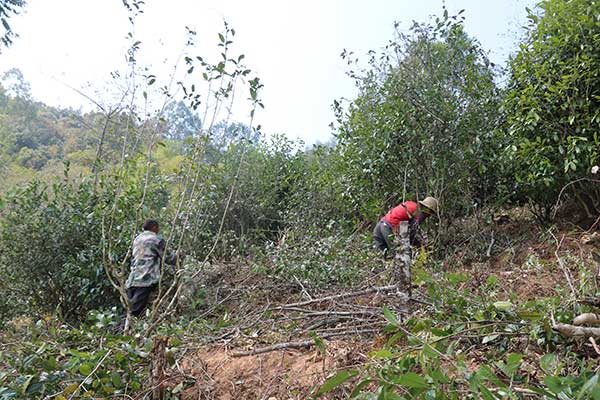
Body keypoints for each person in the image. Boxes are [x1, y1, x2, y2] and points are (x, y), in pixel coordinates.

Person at [125, 219, 182, 317]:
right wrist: (179, 255)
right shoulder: (156, 239)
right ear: (154, 227)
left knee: (129, 309)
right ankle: (127, 330)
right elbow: (169, 258)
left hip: (133, 278)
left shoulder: (137, 239)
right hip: (146, 278)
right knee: (135, 312)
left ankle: (127, 328)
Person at [373, 196, 439, 258]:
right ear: (427, 209)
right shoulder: (419, 214)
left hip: (381, 224)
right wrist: (421, 246)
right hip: (388, 227)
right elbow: (411, 234)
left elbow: (404, 227)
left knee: (381, 255)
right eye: (431, 212)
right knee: (399, 255)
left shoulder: (411, 205)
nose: (429, 215)